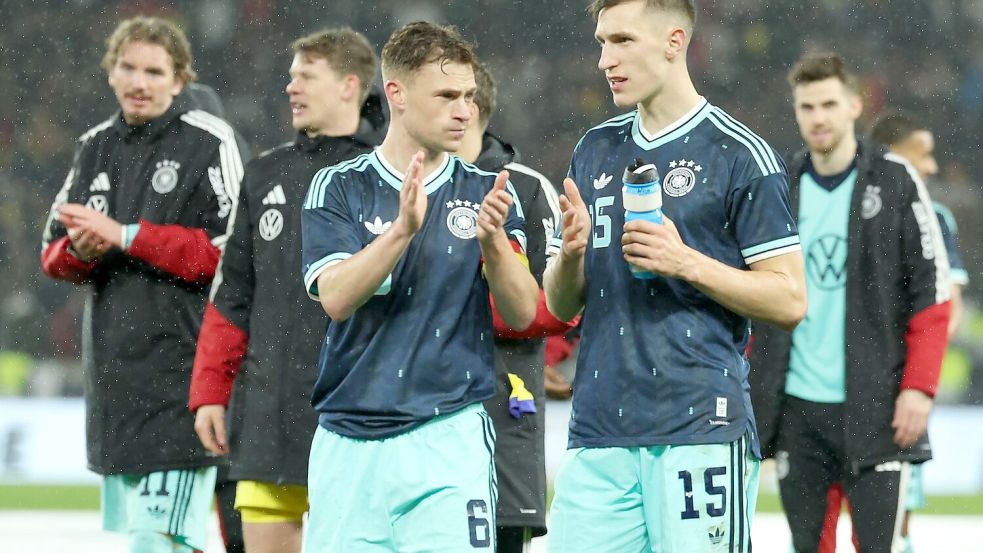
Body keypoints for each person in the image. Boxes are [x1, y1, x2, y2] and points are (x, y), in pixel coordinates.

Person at [543, 1, 807, 552]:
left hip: (698, 429)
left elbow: (789, 299)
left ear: (674, 41)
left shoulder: (740, 155)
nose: (604, 60)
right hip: (599, 430)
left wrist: (685, 261)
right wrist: (569, 257)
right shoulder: (594, 150)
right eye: (600, 42)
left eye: (621, 41)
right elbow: (562, 304)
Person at [300, 21, 538, 551]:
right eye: (448, 95)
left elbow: (522, 313)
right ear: (397, 94)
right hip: (349, 441)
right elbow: (336, 298)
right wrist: (401, 232)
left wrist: (495, 242)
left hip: (448, 436)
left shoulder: (488, 190)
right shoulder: (340, 186)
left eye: (470, 96)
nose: (464, 110)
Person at [39, 16, 244, 553]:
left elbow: (235, 254)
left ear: (179, 80)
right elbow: (51, 250)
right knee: (160, 541)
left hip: (181, 377)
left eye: (155, 71)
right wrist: (80, 254)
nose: (139, 81)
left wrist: (129, 235)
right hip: (114, 383)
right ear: (110, 72)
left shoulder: (208, 141)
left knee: (152, 541)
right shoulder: (94, 146)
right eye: (128, 67)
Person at [188, 28, 384, 553]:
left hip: (356, 411)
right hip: (269, 413)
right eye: (291, 76)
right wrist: (210, 392)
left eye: (306, 76)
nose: (291, 87)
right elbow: (232, 297)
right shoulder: (264, 174)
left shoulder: (382, 173)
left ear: (349, 85)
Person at [749, 54, 952, 553]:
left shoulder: (896, 180)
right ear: (796, 112)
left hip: (876, 405)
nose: (818, 117)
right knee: (808, 546)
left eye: (828, 105)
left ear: (854, 107)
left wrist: (919, 389)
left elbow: (932, 292)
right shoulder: (780, 186)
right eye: (807, 106)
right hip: (798, 411)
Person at [808, 112, 971, 553]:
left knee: (891, 525)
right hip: (825, 392)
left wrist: (907, 367)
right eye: (925, 155)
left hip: (891, 390)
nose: (934, 167)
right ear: (892, 158)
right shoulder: (835, 202)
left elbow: (946, 308)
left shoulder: (933, 217)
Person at [458, 60, 576, 552]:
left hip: (503, 408)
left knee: (505, 536)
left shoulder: (525, 188)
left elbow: (551, 307)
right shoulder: (403, 183)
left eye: (452, 95)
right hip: (415, 417)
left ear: (474, 107)